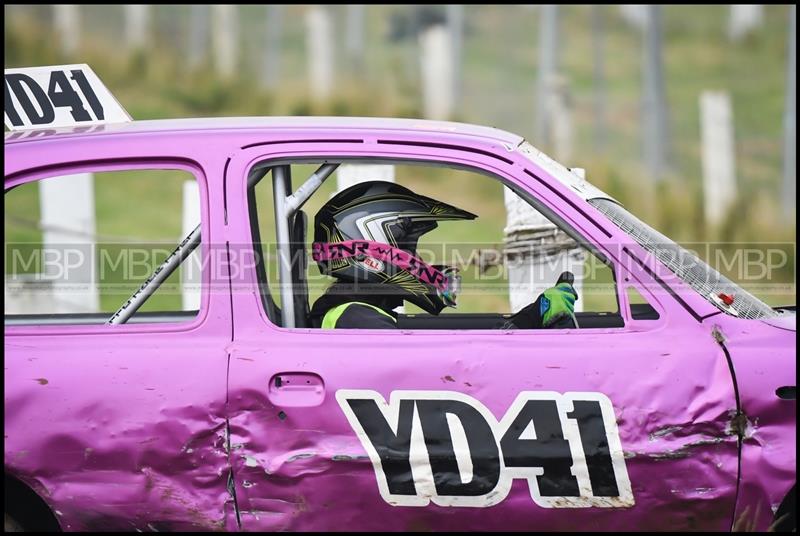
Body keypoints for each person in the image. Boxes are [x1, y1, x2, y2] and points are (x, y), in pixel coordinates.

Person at [309, 181, 578, 330]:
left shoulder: (359, 314)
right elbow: (440, 369)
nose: (416, 260)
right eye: (408, 249)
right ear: (371, 257)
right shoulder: (356, 320)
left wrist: (529, 318)